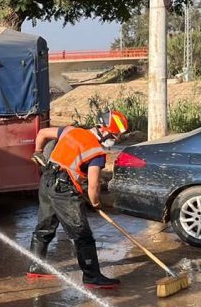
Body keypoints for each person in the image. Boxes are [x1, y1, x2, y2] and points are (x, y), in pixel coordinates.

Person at [26, 110, 130, 288]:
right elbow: (93, 186)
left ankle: (36, 266)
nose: (115, 139)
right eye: (114, 135)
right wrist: (96, 204)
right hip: (63, 190)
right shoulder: (96, 153)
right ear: (103, 130)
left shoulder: (70, 131)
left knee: (45, 227)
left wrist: (38, 151)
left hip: (47, 180)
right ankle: (92, 277)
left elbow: (42, 133)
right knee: (83, 235)